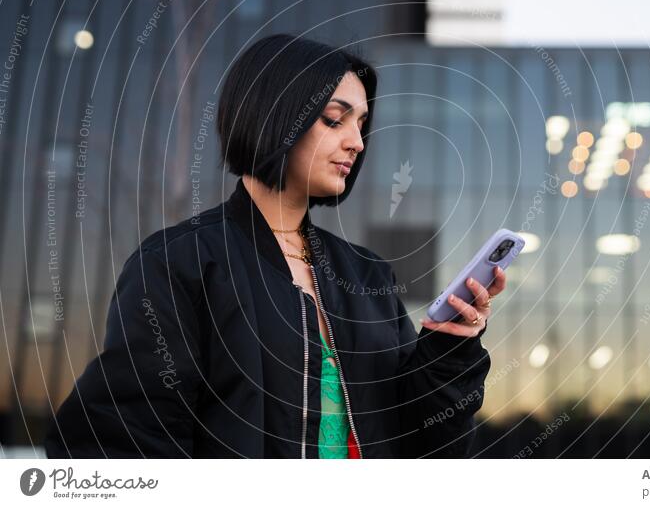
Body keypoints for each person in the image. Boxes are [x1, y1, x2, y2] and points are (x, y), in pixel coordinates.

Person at [44, 33, 504, 459]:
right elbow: (125, 438)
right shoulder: (178, 263)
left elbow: (422, 445)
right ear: (275, 115)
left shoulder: (367, 274)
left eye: (361, 123)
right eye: (334, 119)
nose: (357, 142)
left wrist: (448, 350)